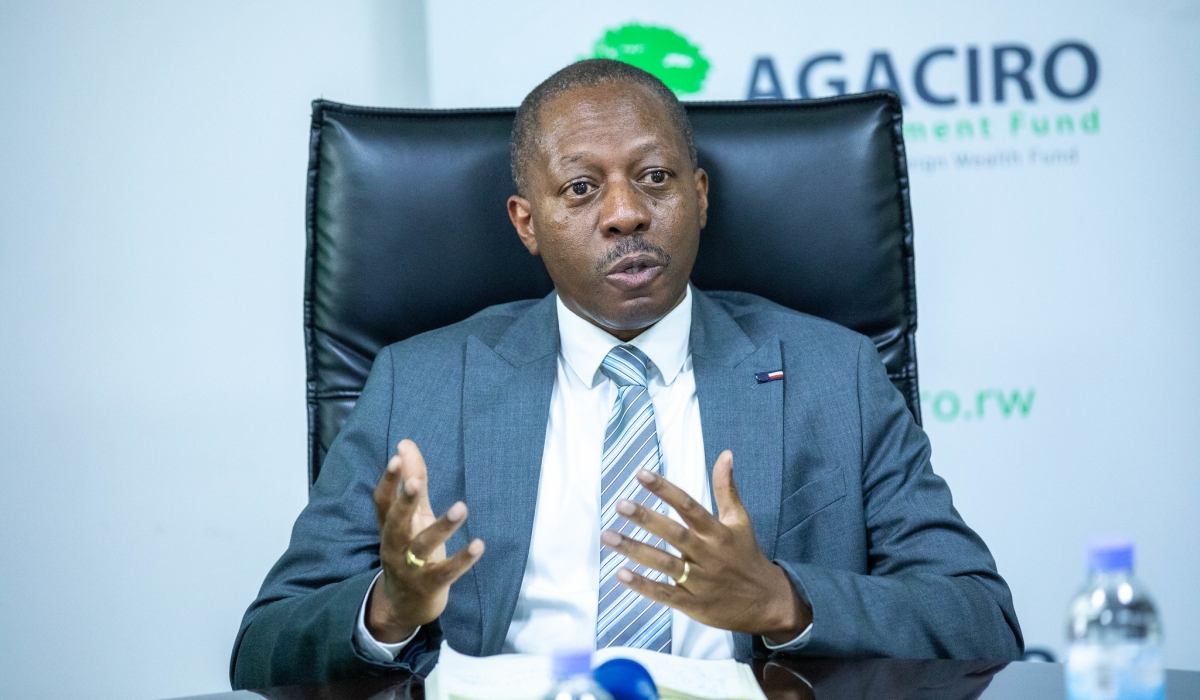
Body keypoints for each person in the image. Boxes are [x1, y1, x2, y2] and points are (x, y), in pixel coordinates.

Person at [230, 59, 1023, 689]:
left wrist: (785, 601)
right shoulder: (422, 381)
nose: (625, 214)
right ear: (526, 222)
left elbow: (980, 619)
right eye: (581, 188)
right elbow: (264, 645)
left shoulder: (833, 372)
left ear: (700, 196)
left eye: (655, 178)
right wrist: (389, 610)